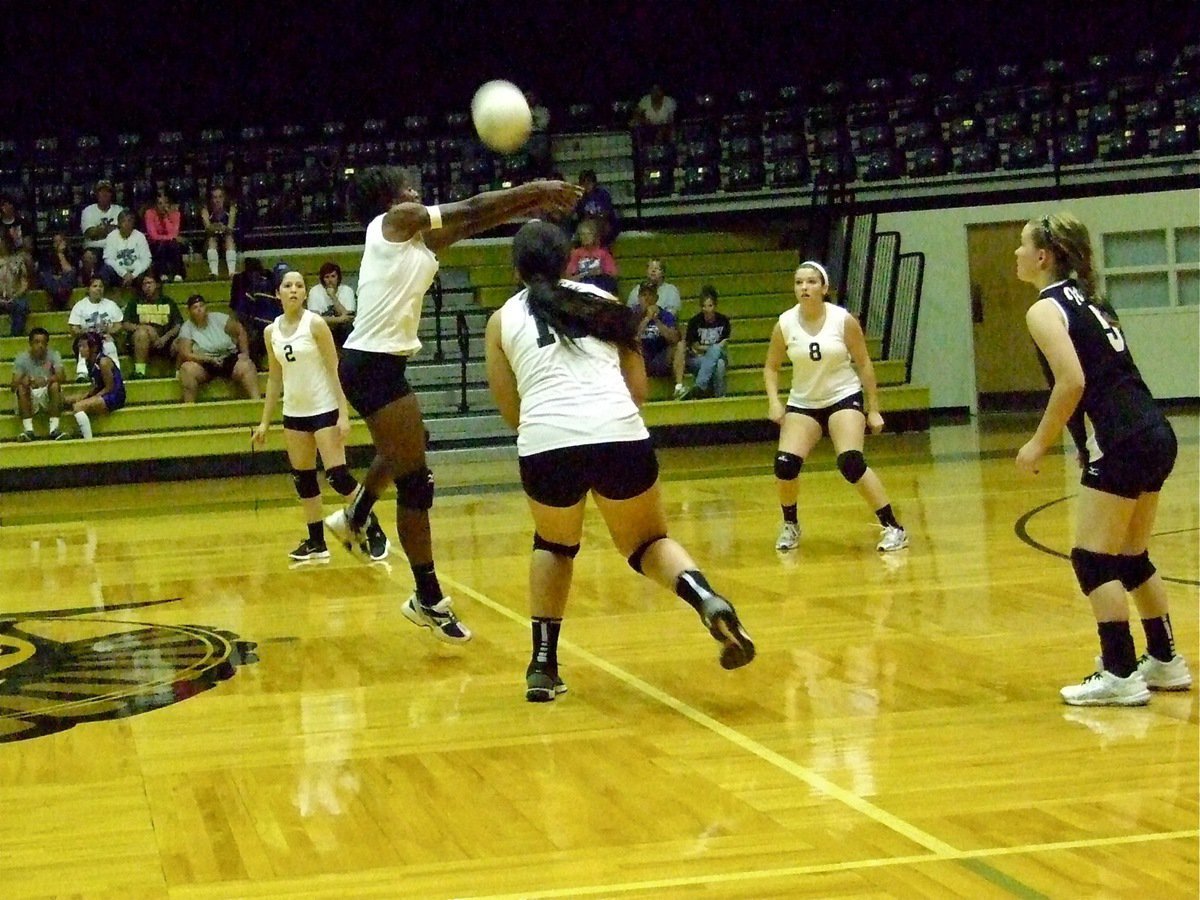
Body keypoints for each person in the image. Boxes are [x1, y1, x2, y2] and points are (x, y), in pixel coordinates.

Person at [484, 220, 755, 701]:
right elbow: (638, 391)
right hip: (618, 432)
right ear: (570, 258)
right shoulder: (606, 303)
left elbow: (511, 413)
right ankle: (706, 598)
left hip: (548, 440)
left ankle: (542, 668)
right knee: (648, 541)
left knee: (554, 545)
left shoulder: (503, 319)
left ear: (516, 267)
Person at [323, 165, 580, 644]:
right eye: (406, 186)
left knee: (410, 444)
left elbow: (471, 223)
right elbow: (471, 207)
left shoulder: (413, 243)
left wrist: (531, 206)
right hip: (370, 366)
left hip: (380, 366)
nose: (415, 189)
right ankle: (426, 597)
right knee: (416, 484)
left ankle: (355, 515)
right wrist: (535, 189)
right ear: (389, 199)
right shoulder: (394, 223)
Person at [1014, 212, 1189, 706]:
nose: (1016, 254)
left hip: (1123, 439)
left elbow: (1073, 382)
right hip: (1153, 432)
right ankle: (1164, 660)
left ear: (1043, 257)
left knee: (1092, 559)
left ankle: (1119, 673)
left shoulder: (1046, 309)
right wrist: (1081, 442)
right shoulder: (1093, 302)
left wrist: (1037, 444)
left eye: (1022, 246)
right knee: (1131, 557)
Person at [763, 261, 909, 553]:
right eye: (799, 282)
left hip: (843, 396)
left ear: (824, 287)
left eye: (811, 282)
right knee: (785, 464)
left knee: (850, 462)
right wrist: (774, 402)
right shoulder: (785, 323)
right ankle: (790, 525)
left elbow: (864, 364)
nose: (804, 287)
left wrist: (874, 408)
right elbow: (771, 367)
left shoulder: (842, 320)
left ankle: (893, 527)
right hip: (804, 402)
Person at [251, 269, 389, 562]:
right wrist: (265, 421)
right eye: (287, 286)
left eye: (299, 286)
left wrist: (343, 413)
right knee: (303, 479)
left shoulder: (315, 325)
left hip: (324, 409)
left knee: (338, 477)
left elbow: (335, 368)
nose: (293, 290)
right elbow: (275, 378)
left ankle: (374, 529)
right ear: (277, 293)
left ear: (304, 293)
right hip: (294, 413)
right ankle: (316, 543)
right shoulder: (270, 332)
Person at [176, 294, 260, 403]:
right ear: (189, 311)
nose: (199, 309)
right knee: (186, 369)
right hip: (204, 363)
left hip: (228, 358)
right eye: (195, 307)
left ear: (206, 307)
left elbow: (240, 331)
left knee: (247, 365)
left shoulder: (219, 318)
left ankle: (258, 403)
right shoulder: (187, 327)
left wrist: (245, 354)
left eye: (201, 306)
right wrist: (207, 359)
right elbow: (185, 353)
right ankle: (188, 409)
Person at [673, 285, 731, 399]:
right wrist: (712, 348)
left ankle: (700, 385)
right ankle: (720, 397)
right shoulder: (694, 322)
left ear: (715, 306)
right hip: (698, 359)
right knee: (719, 364)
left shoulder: (723, 321)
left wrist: (709, 348)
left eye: (710, 306)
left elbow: (724, 343)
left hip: (718, 354)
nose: (707, 309)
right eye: (704, 306)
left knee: (717, 353)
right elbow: (694, 346)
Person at [123, 272, 183, 378]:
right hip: (140, 342)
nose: (147, 286)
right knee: (141, 334)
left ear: (157, 284)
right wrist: (145, 328)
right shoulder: (135, 302)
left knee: (183, 340)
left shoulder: (168, 302)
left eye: (150, 283)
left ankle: (178, 374)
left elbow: (178, 324)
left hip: (165, 341)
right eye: (144, 284)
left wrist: (165, 338)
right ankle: (140, 372)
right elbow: (126, 324)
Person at [12, 327, 66, 441]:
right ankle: (28, 430)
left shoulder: (53, 355)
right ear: (30, 343)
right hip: (30, 395)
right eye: (37, 342)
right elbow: (13, 385)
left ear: (47, 344)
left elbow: (62, 377)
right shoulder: (22, 358)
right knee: (21, 388)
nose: (40, 346)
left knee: (55, 385)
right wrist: (24, 381)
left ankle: (54, 429)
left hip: (47, 394)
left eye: (43, 342)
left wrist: (47, 380)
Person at [69, 331, 126, 439]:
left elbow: (110, 387)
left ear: (93, 347)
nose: (80, 349)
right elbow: (98, 384)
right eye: (79, 346)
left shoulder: (103, 362)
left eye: (83, 346)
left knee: (78, 407)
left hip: (115, 396)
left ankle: (88, 439)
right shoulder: (90, 362)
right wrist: (87, 394)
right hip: (105, 392)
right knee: (71, 400)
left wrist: (93, 397)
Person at [68, 276, 123, 381]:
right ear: (88, 289)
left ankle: (115, 371)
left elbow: (119, 325)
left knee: (109, 343)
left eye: (101, 286)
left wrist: (108, 331)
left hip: (105, 337)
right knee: (85, 343)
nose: (98, 288)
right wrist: (85, 332)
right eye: (95, 286)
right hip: (87, 338)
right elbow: (73, 328)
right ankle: (82, 373)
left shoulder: (111, 305)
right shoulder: (80, 306)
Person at [634, 281, 680, 378]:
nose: (647, 298)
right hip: (641, 359)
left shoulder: (666, 315)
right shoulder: (632, 314)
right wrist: (647, 319)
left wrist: (656, 320)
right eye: (644, 295)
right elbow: (632, 338)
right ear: (639, 298)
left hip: (660, 358)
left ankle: (679, 386)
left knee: (680, 346)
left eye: (651, 295)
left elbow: (674, 339)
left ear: (656, 298)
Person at [307, 261, 357, 346]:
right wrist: (339, 319)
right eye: (327, 277)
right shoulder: (315, 291)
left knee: (348, 328)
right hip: (323, 328)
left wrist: (333, 296)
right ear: (322, 279)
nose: (330, 280)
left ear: (338, 278)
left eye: (333, 276)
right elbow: (313, 319)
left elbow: (348, 318)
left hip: (342, 331)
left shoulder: (347, 291)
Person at [99, 209, 152, 289]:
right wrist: (124, 274)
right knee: (105, 269)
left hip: (136, 274)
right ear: (119, 223)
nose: (127, 224)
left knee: (148, 269)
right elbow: (109, 259)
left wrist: (133, 275)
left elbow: (146, 259)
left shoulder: (140, 236)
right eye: (123, 221)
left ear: (133, 223)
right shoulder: (111, 236)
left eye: (130, 221)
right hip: (118, 273)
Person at [565, 220, 618, 295]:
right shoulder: (575, 253)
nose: (585, 237)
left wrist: (601, 271)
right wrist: (584, 275)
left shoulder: (603, 253)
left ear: (595, 236)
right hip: (582, 287)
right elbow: (569, 276)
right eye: (582, 234)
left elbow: (613, 273)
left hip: (600, 286)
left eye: (588, 234)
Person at [144, 190, 187, 282]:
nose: (163, 206)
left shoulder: (175, 214)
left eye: (166, 203)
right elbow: (153, 236)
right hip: (156, 245)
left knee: (174, 245)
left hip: (172, 245)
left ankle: (178, 274)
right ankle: (162, 274)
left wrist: (166, 217)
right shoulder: (149, 213)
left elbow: (174, 233)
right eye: (160, 203)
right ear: (155, 205)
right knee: (163, 244)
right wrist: (169, 238)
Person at [571, 170, 620, 248]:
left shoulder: (602, 194)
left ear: (594, 183)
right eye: (583, 183)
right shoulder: (580, 197)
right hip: (588, 224)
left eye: (589, 182)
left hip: (603, 222)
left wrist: (595, 219)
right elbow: (580, 216)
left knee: (603, 226)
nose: (586, 185)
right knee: (581, 231)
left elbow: (606, 213)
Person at [201, 185, 238, 277]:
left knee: (229, 238)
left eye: (220, 197)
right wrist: (217, 227)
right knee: (211, 239)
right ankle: (214, 273)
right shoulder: (206, 210)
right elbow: (208, 228)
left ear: (224, 198)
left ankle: (232, 272)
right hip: (211, 240)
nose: (217, 200)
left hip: (227, 239)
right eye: (215, 197)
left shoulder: (231, 208)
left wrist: (220, 227)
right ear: (211, 199)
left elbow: (230, 228)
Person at [80, 179, 123, 253]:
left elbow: (124, 231)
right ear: (96, 194)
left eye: (107, 191)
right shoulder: (88, 210)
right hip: (94, 248)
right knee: (88, 256)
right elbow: (90, 234)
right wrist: (112, 229)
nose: (104, 194)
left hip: (116, 248)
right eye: (101, 191)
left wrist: (99, 230)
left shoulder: (119, 210)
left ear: (112, 194)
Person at [0, 229, 30, 337]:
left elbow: (24, 282)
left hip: (14, 298)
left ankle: (15, 337)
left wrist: (15, 296)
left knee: (22, 305)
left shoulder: (18, 260)